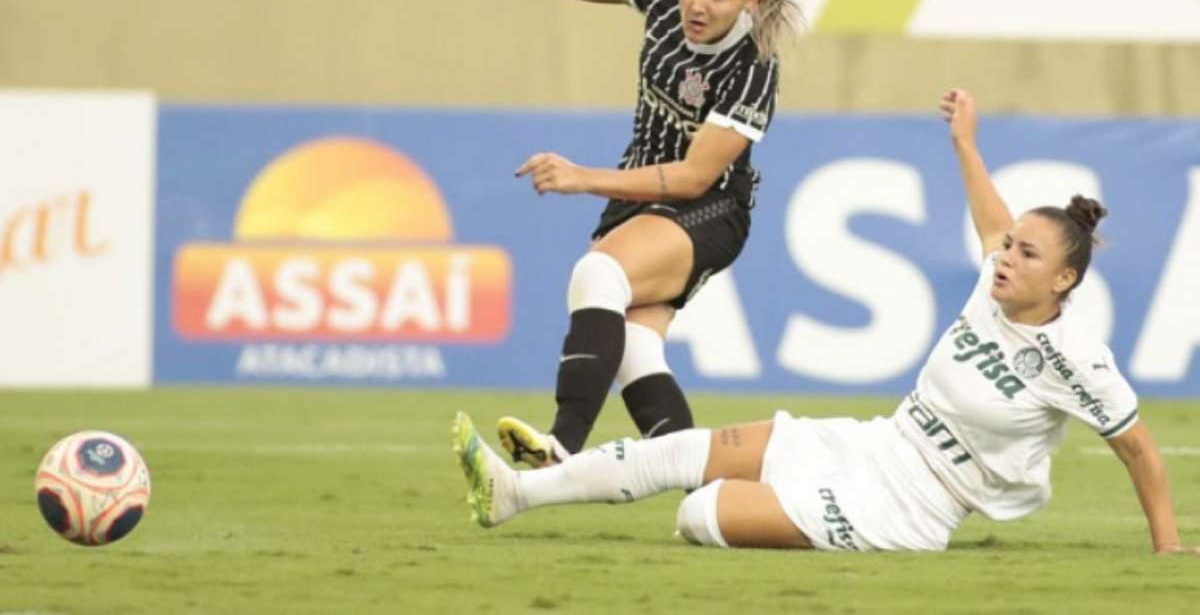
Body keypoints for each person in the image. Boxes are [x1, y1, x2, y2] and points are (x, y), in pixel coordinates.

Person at [449, 88, 1199, 554]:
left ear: (1063, 280)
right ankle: (512, 495)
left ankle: (705, 504)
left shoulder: (1076, 358)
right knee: (682, 455)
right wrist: (965, 143)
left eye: (1025, 255)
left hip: (910, 504)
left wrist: (1167, 548)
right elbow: (992, 221)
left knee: (700, 515)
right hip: (873, 441)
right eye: (1006, 248)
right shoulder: (993, 283)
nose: (1004, 258)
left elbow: (1138, 451)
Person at [457, 0, 802, 468]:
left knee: (597, 275)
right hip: (638, 194)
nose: (696, 2)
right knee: (636, 351)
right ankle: (707, 493)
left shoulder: (753, 68)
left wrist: (582, 177)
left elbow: (692, 177)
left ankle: (561, 445)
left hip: (709, 207)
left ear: (751, 0)